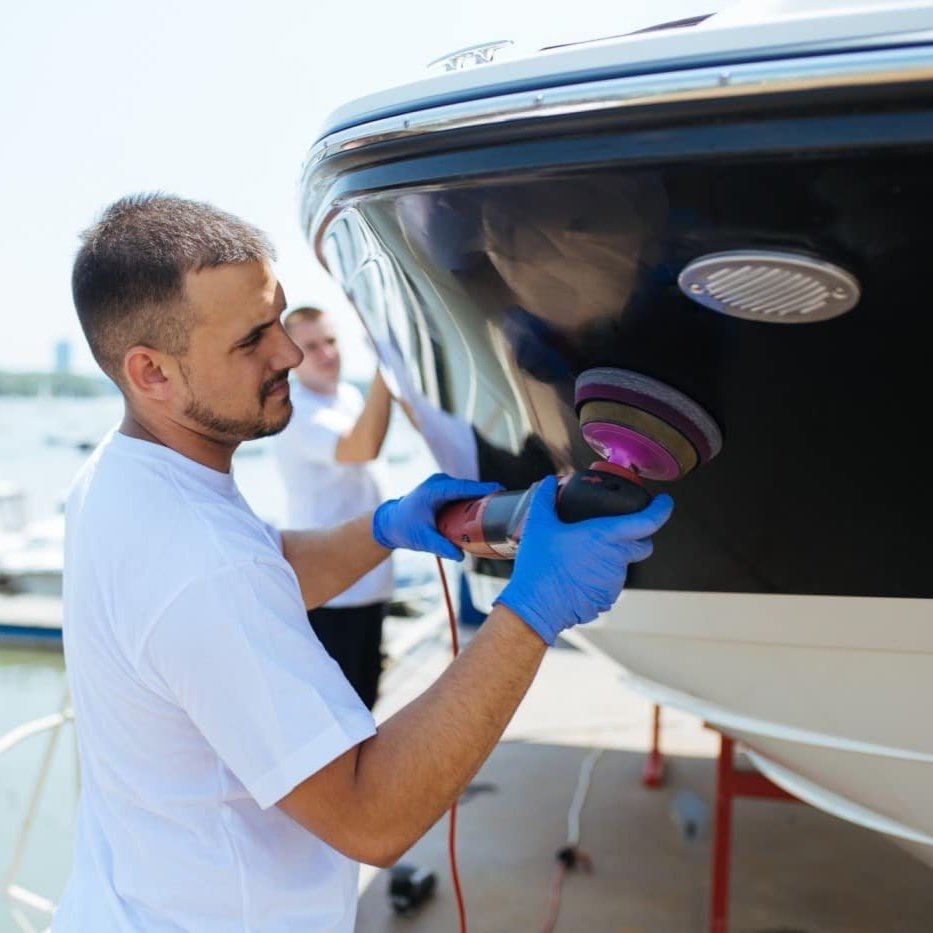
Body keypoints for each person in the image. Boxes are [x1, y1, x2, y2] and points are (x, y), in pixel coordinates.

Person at [54, 192, 673, 932]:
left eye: (278, 317)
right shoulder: (198, 562)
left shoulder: (121, 478)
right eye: (252, 339)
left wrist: (386, 527)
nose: (287, 351)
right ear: (151, 371)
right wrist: (534, 608)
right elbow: (370, 816)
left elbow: (261, 569)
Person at [272, 305, 393, 710]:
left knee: (367, 703)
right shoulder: (296, 412)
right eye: (311, 346)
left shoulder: (347, 396)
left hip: (371, 582)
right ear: (291, 357)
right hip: (332, 593)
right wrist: (389, 362)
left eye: (331, 341)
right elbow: (362, 446)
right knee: (341, 717)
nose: (327, 353)